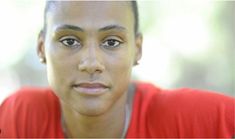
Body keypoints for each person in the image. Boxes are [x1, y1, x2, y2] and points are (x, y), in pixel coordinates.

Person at [0, 1, 234, 138]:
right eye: (70, 41)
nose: (91, 63)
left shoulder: (191, 119)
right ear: (41, 49)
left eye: (111, 42)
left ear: (137, 50)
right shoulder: (21, 118)